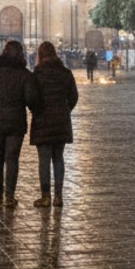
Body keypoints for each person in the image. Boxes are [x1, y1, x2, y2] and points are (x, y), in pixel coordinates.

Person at [0, 40, 38, 207]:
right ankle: (10, 196)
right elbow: (31, 98)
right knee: (12, 159)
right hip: (15, 122)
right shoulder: (24, 74)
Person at [29, 42, 79, 208]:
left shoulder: (36, 74)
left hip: (42, 121)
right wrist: (65, 110)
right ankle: (58, 197)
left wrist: (36, 110)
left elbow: (31, 97)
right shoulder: (65, 73)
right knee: (58, 159)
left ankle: (45, 197)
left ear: (40, 55)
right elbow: (73, 96)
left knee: (44, 161)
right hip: (61, 121)